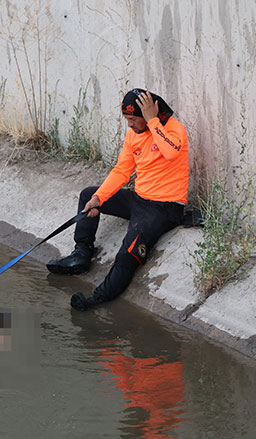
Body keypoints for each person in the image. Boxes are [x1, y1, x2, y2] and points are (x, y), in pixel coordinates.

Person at [47, 89, 189, 311]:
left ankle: (96, 298)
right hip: (140, 199)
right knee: (88, 195)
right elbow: (122, 171)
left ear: (148, 114)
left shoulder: (173, 129)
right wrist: (98, 198)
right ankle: (81, 254)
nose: (130, 125)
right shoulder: (133, 136)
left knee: (128, 249)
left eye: (133, 120)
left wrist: (153, 121)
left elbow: (171, 153)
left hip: (164, 207)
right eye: (127, 120)